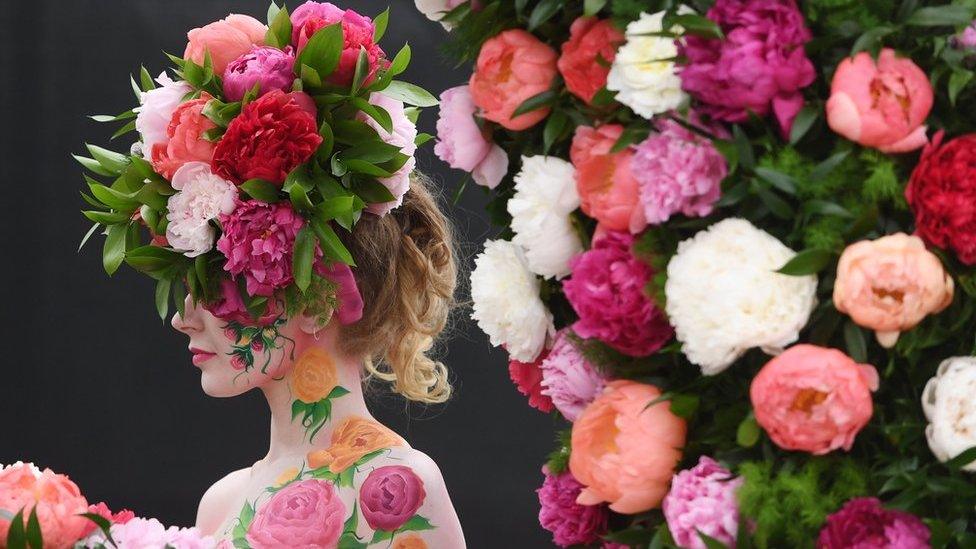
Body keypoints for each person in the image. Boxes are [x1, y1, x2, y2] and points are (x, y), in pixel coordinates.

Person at [172, 174, 466, 548]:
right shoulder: (220, 503)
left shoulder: (396, 487)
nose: (182, 320)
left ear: (316, 303)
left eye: (216, 286)